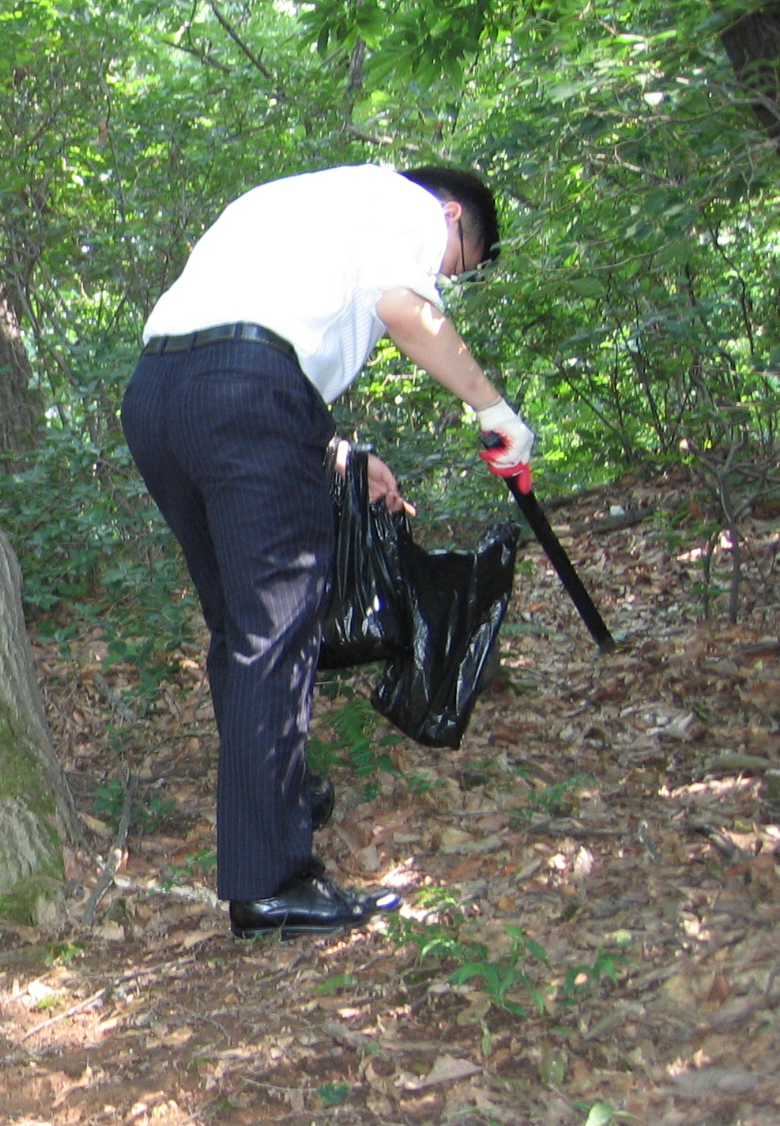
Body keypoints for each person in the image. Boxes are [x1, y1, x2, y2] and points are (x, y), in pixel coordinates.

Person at [120, 164, 531, 940]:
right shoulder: (405, 206)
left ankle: (278, 797)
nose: (447, 276)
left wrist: (333, 450)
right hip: (246, 391)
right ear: (452, 215)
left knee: (241, 627)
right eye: (458, 262)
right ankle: (271, 885)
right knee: (271, 636)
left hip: (158, 396)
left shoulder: (294, 201)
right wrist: (493, 408)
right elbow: (404, 310)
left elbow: (240, 340)